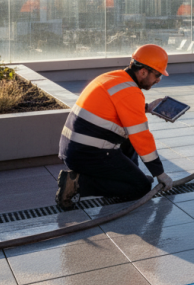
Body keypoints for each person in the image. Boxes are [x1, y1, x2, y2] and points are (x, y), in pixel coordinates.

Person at [56, 45, 174, 208]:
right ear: (143, 72)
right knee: (141, 187)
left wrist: (146, 108)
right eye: (158, 74)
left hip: (73, 148)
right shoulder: (131, 92)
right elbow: (142, 138)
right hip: (88, 154)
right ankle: (76, 183)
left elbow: (119, 108)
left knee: (129, 140)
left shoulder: (115, 77)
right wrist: (160, 174)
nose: (158, 80)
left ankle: (130, 176)